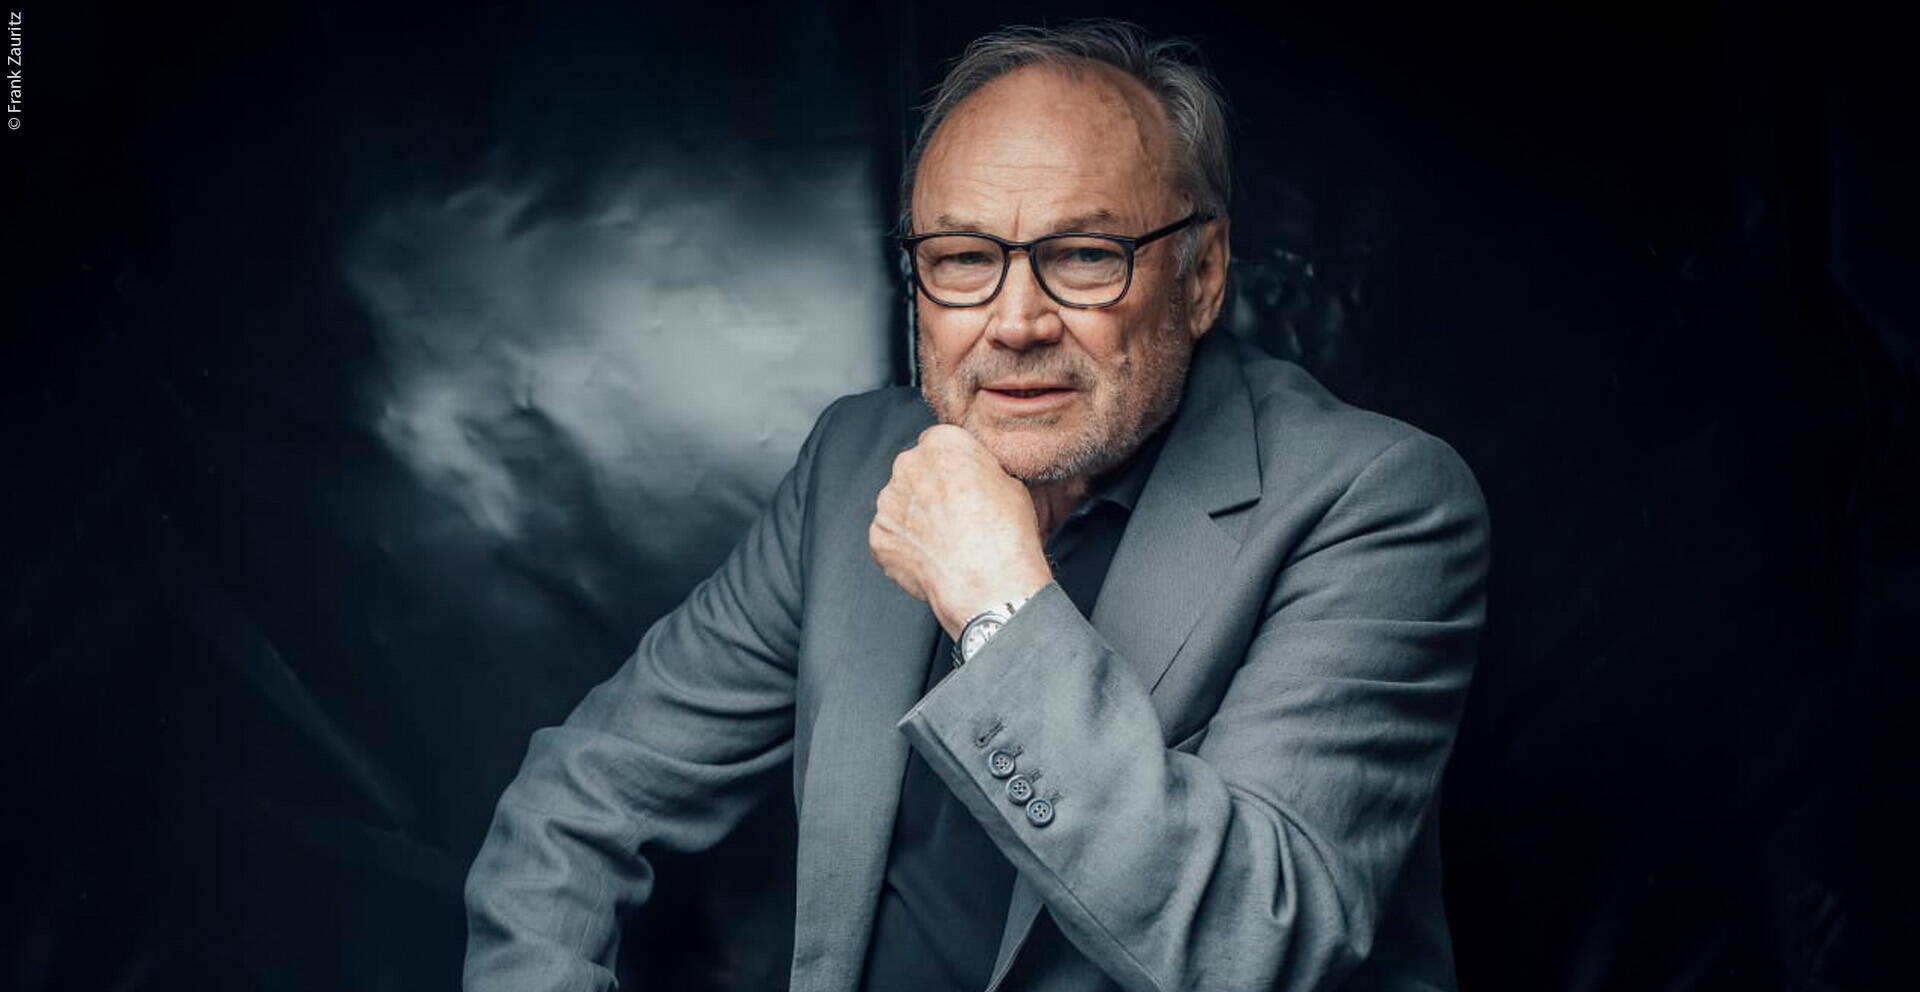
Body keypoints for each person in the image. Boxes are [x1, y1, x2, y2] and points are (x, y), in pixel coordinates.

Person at [464, 20, 1489, 992]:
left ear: (1203, 274)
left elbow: (1250, 944)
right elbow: (581, 798)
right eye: (962, 258)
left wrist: (994, 599)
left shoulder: (1379, 501)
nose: (1016, 321)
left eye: (1084, 254)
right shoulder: (853, 463)